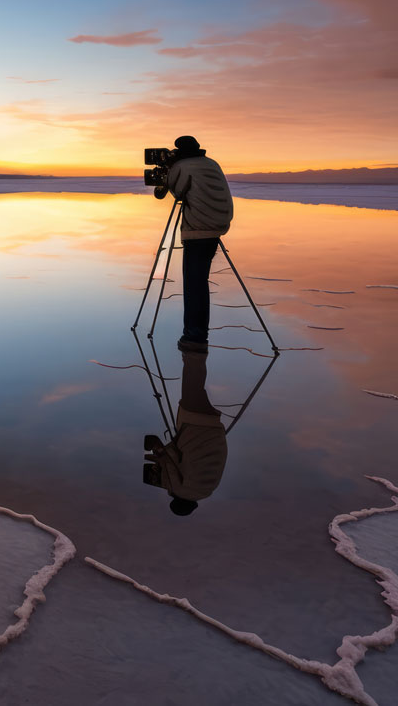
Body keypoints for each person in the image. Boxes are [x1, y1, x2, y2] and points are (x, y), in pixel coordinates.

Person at [159, 135, 232, 351]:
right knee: (200, 280)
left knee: (194, 284)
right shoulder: (211, 163)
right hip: (218, 225)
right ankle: (196, 334)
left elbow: (176, 191)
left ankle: (195, 337)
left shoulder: (183, 165)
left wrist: (169, 171)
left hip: (198, 229)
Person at [145, 347, 228, 515]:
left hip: (215, 433)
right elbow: (170, 459)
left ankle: (195, 346)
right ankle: (195, 342)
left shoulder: (207, 490)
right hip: (196, 427)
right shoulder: (179, 489)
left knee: (196, 387)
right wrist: (157, 452)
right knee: (192, 377)